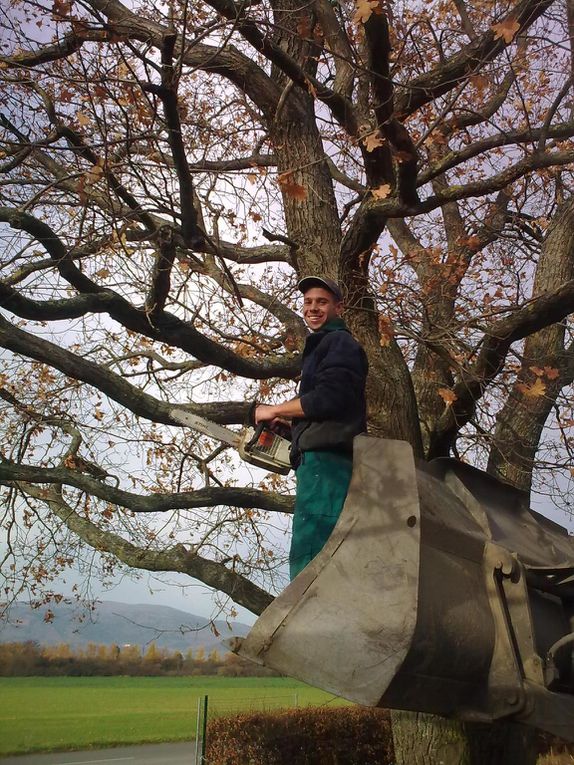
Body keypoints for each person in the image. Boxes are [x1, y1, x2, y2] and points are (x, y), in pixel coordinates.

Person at [255, 276, 368, 579]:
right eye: (308, 302)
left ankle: (311, 625)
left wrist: (275, 408)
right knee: (312, 551)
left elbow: (331, 398)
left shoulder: (339, 342)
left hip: (327, 466)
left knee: (314, 555)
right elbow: (326, 408)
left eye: (322, 302)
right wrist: (292, 423)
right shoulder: (322, 346)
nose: (313, 308)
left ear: (338, 307)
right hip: (318, 465)